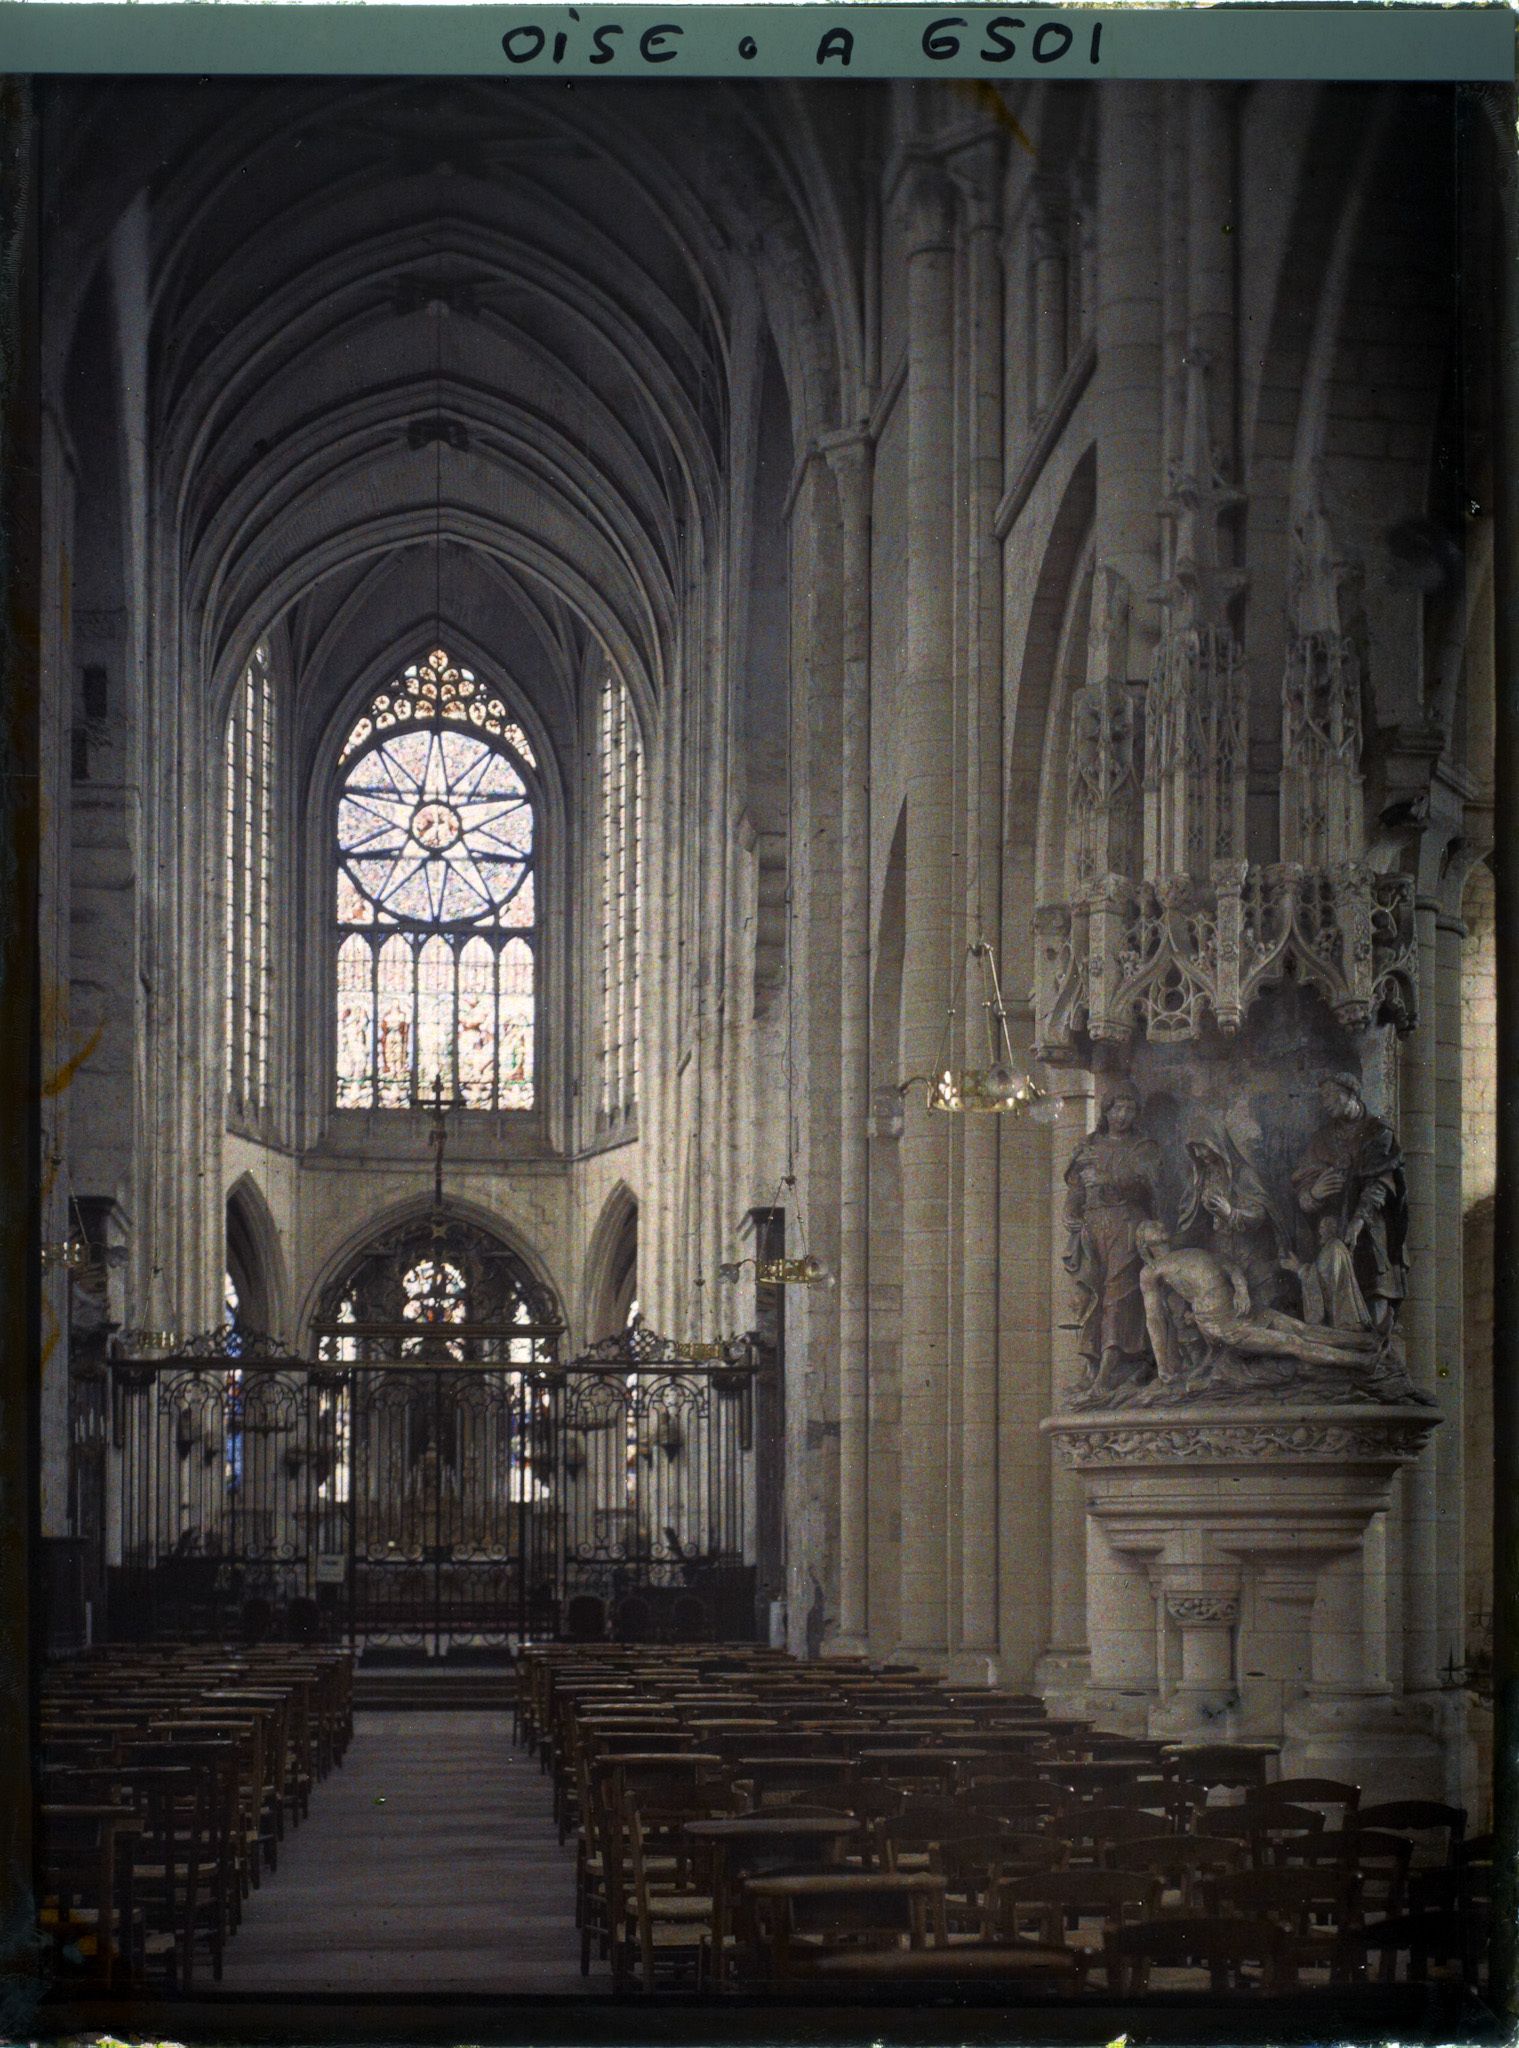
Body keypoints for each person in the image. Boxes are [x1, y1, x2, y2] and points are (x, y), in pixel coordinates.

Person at [1135, 1221, 1385, 1384]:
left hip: (1243, 1309)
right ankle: (1362, 1362)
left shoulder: (1190, 1251)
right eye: (1149, 1227)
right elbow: (1154, 1319)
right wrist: (1163, 1368)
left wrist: (1241, 1290)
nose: (1157, 1223)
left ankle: (1364, 1341)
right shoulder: (1151, 1271)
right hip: (1223, 1324)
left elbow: (1229, 1266)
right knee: (1292, 1342)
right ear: (1145, 1243)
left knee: (1300, 1329)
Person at [1063, 1080, 1163, 1395]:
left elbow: (1151, 1187)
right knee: (1086, 1295)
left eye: (1130, 1109)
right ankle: (1090, 1366)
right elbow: (1076, 1188)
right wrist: (1070, 1210)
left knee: (1118, 1294)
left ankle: (1109, 1370)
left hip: (1127, 1221)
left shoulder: (1143, 1147)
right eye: (1117, 1108)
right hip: (1092, 1226)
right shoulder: (1088, 1144)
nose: (1123, 1115)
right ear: (1106, 1110)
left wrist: (1110, 1180)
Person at [1290, 1071, 1409, 1333]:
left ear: (1352, 1094)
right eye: (1323, 1099)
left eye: (1332, 1096)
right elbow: (1301, 1183)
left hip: (1370, 1224)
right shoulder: (1321, 1139)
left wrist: (1357, 1222)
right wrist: (1314, 1194)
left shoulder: (1378, 1132)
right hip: (1332, 1225)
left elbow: (1380, 1183)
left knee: (1375, 1287)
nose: (1326, 1103)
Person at [1177, 1106, 1293, 1311]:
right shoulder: (1201, 1177)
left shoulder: (1244, 1174)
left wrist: (1230, 1213)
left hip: (1249, 1253)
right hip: (1219, 1252)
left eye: (1203, 1146)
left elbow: (1260, 1214)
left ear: (1217, 1143)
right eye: (1194, 1148)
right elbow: (1191, 1214)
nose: (1199, 1153)